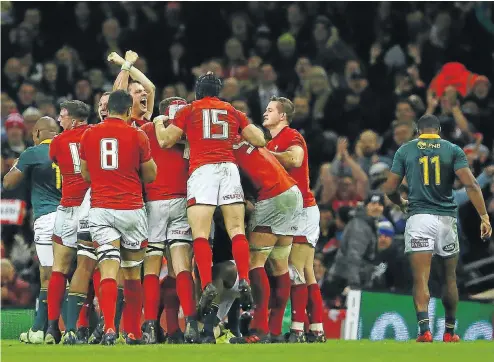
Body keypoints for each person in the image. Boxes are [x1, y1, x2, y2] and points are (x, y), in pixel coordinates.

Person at [153, 72, 266, 316]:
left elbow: (164, 141)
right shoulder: (231, 110)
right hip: (228, 168)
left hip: (202, 170)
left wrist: (156, 123)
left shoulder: (189, 110)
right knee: (237, 228)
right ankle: (244, 279)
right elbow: (259, 140)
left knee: (200, 233)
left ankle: (206, 285)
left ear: (197, 91)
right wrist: (237, 129)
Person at [383, 114, 492, 343]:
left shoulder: (405, 150)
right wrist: (484, 216)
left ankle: (424, 330)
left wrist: (400, 202)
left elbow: (390, 188)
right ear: (438, 130)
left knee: (421, 278)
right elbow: (471, 184)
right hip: (446, 219)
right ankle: (450, 332)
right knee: (449, 278)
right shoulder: (452, 149)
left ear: (418, 131)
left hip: (419, 218)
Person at [79, 90, 157, 345]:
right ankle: (133, 332)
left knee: (108, 270)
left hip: (100, 209)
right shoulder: (138, 135)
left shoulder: (89, 134)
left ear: (108, 108)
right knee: (133, 274)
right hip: (132, 210)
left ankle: (110, 328)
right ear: (127, 111)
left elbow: (86, 175)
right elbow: (150, 176)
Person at [264, 96, 325, 343]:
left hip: (302, 209)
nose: (265, 113)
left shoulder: (291, 136)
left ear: (283, 116)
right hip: (296, 209)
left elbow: (296, 159)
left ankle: (298, 329)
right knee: (306, 271)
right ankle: (317, 328)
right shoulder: (272, 142)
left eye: (270, 110)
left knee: (296, 269)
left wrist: (264, 156)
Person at [229, 138, 303, 344]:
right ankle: (276, 330)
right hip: (292, 193)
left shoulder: (223, 147)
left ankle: (259, 330)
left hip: (272, 195)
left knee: (254, 261)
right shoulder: (245, 140)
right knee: (279, 265)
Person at [139, 97, 196, 343]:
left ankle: (151, 326)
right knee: (180, 267)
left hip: (153, 203)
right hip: (182, 201)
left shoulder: (146, 130)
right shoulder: (189, 129)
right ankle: (184, 327)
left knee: (151, 266)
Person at [3, 116, 60, 344]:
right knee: (75, 275)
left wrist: (19, 165)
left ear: (36, 133)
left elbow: (8, 182)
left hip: (47, 218)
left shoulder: (32, 153)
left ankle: (40, 329)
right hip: (74, 216)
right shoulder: (71, 149)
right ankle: (75, 329)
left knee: (48, 276)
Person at [44, 100, 92, 345]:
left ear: (73, 120)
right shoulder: (95, 134)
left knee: (59, 269)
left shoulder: (58, 142)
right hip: (90, 207)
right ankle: (76, 328)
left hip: (67, 207)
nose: (59, 121)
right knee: (85, 269)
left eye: (62, 116)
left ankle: (53, 328)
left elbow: (56, 161)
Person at [108, 51, 155, 127]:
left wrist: (123, 62)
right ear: (127, 98)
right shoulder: (123, 118)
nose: (145, 93)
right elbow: (119, 94)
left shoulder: (146, 119)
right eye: (138, 92)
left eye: (143, 91)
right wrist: (127, 64)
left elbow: (150, 89)